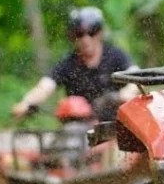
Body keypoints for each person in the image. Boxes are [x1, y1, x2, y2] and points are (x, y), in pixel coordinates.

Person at [11, 7, 140, 121]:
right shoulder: (68, 64)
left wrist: (123, 94)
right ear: (73, 37)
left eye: (92, 32)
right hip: (78, 129)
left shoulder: (115, 56)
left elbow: (136, 76)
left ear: (100, 33)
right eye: (79, 34)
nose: (85, 39)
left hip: (114, 127)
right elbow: (45, 86)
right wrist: (27, 103)